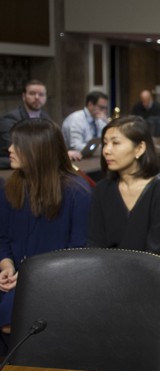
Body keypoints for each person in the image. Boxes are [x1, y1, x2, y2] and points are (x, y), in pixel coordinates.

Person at [0, 118, 91, 336]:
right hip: (13, 276)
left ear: (37, 149)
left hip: (55, 281)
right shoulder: (9, 187)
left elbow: (78, 252)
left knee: (11, 314)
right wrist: (6, 265)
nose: (9, 149)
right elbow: (2, 237)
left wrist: (27, 275)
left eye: (16, 144)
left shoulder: (77, 192)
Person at [87, 116, 160, 260]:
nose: (106, 150)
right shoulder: (102, 189)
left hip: (154, 274)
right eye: (105, 143)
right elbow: (95, 243)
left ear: (140, 148)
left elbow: (155, 253)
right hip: (107, 272)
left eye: (115, 143)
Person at [0, 80, 51, 168]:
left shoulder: (46, 118)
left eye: (41, 94)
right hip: (12, 168)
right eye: (32, 93)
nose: (37, 97)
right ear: (24, 96)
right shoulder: (9, 119)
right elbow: (16, 149)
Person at [62, 90, 109, 161]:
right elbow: (75, 146)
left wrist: (107, 122)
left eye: (106, 108)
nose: (104, 111)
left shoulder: (99, 119)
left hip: (91, 158)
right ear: (90, 104)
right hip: (74, 160)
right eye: (101, 107)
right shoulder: (76, 119)